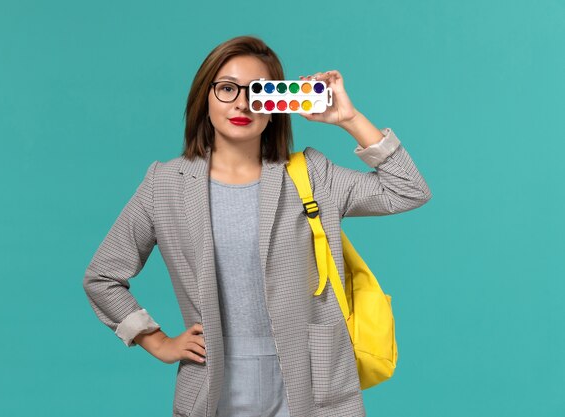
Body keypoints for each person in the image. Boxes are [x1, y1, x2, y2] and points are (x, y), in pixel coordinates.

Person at [83, 35, 432, 417]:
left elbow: (408, 190)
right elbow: (102, 276)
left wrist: (349, 119)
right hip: (212, 390)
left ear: (277, 104)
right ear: (205, 97)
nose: (242, 103)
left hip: (313, 387)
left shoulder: (311, 175)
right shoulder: (165, 184)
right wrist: (156, 341)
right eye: (227, 89)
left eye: (259, 91)